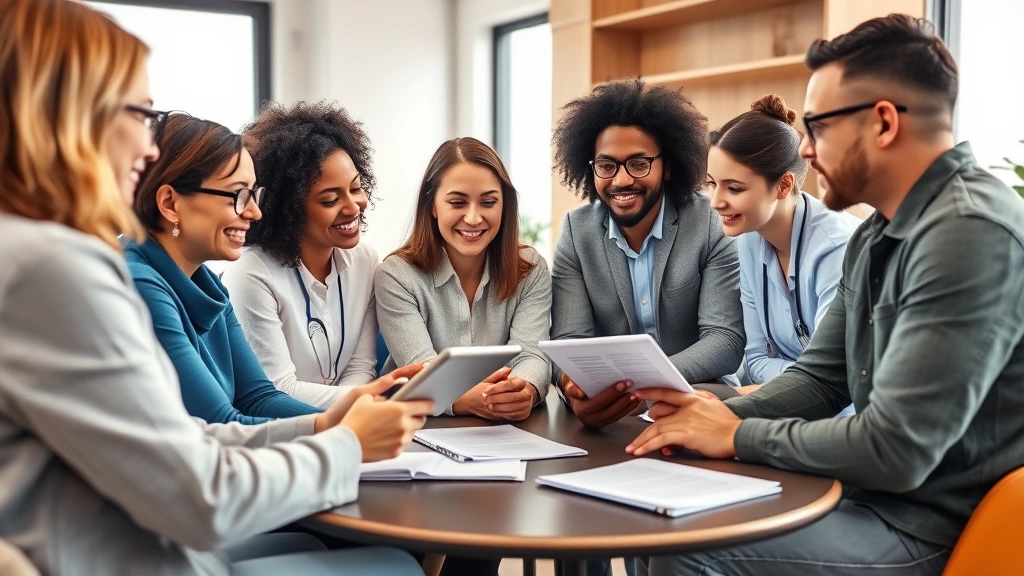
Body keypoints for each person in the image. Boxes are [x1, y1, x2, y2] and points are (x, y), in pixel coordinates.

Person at [0, 0, 434, 574]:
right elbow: (199, 496)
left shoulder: (37, 254)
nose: (149, 147)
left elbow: (189, 436)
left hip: (136, 537)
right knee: (392, 563)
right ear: (70, 115)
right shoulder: (57, 268)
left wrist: (328, 424)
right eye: (141, 115)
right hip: (143, 554)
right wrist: (346, 445)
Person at [629, 15, 1024, 576]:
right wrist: (713, 414)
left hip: (930, 527)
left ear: (883, 122)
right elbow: (820, 379)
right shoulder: (878, 232)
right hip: (867, 497)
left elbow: (896, 449)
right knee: (661, 512)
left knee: (685, 549)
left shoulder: (970, 232)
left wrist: (737, 433)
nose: (806, 150)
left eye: (817, 128)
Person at [550, 79, 745, 429]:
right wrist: (572, 386)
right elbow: (569, 343)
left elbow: (724, 341)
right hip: (612, 414)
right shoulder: (576, 233)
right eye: (607, 166)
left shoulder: (711, 224)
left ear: (667, 166)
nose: (621, 181)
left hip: (698, 401)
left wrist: (638, 385)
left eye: (639, 164)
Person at [128, 113, 331, 424]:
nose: (254, 212)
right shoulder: (138, 284)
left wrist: (352, 422)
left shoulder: (206, 284)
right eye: (238, 195)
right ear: (170, 204)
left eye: (254, 194)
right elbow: (219, 422)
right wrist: (342, 430)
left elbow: (258, 398)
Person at [377, 137, 551, 421]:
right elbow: (421, 369)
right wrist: (462, 399)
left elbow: (532, 354)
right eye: (457, 202)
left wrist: (524, 390)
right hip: (415, 430)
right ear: (432, 205)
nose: (473, 218)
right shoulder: (396, 275)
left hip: (508, 435)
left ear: (504, 205)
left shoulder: (530, 268)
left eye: (488, 202)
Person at [222, 102, 381, 408]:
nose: (353, 207)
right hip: (281, 434)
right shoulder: (251, 273)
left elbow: (361, 369)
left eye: (356, 188)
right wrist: (374, 402)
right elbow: (278, 390)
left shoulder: (366, 261)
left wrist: (362, 408)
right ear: (290, 209)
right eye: (331, 199)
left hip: (347, 427)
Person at [706, 94, 859, 398]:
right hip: (792, 400)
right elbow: (756, 359)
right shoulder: (748, 237)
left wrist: (751, 392)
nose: (715, 201)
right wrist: (798, 376)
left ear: (784, 185)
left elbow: (835, 376)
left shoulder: (835, 248)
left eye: (733, 188)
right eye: (711, 183)